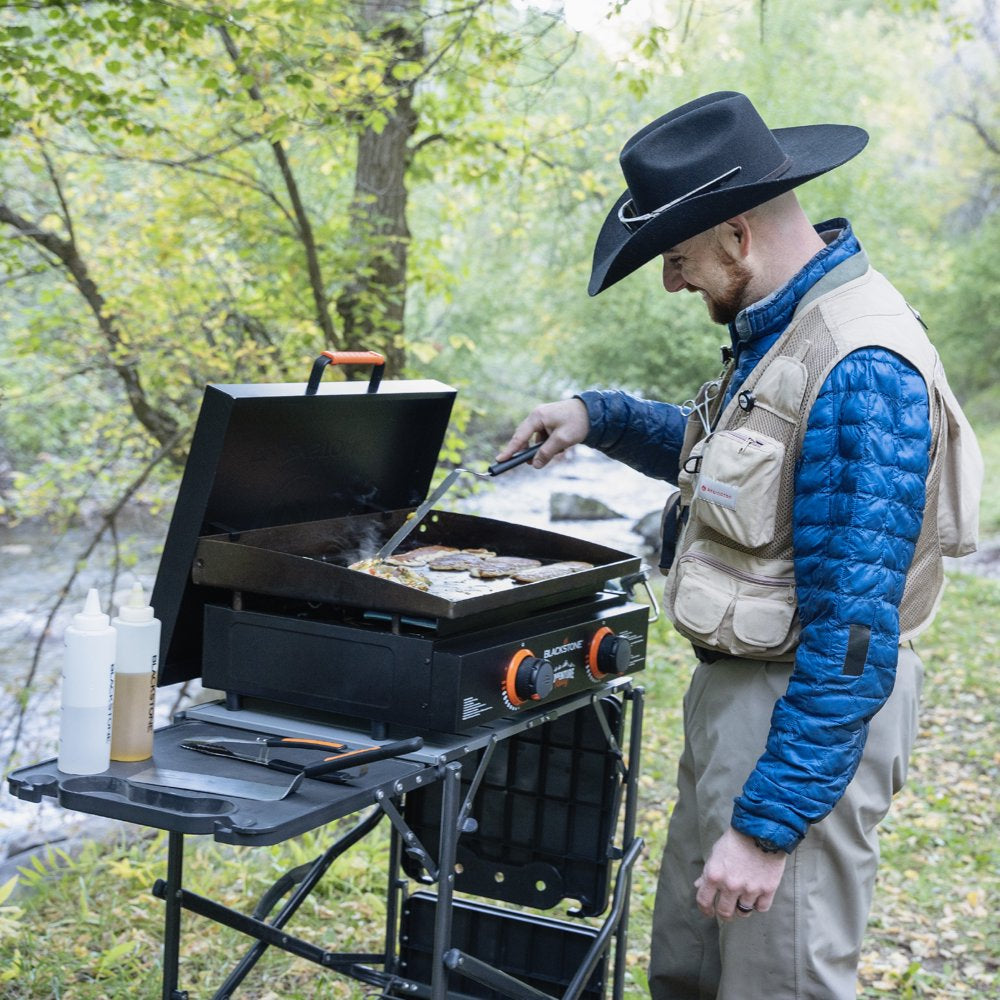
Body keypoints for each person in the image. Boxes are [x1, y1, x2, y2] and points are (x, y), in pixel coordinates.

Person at [497, 91, 981, 1000]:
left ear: (736, 234)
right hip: (744, 705)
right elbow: (725, 457)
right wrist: (594, 417)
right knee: (690, 970)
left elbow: (851, 635)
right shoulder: (785, 329)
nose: (675, 283)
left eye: (678, 259)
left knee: (775, 984)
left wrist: (767, 830)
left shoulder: (862, 365)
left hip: (799, 712)